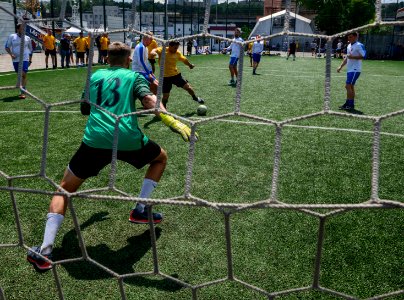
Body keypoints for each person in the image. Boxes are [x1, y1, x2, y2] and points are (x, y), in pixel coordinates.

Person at [26, 41, 197, 272]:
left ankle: (45, 251)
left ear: (106, 59)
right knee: (160, 158)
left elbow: (84, 109)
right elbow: (148, 101)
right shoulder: (134, 77)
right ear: (128, 60)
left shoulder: (94, 77)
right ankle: (139, 209)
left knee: (64, 189)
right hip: (126, 138)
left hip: (95, 141)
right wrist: (171, 121)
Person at [150, 41, 205, 108]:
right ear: (170, 46)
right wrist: (153, 52)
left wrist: (190, 65)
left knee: (189, 88)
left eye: (177, 48)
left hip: (176, 75)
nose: (176, 49)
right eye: (175, 48)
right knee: (165, 97)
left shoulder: (177, 53)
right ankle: (163, 108)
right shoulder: (163, 50)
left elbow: (184, 60)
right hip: (165, 78)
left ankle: (195, 98)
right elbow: (155, 49)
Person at [337, 32, 366, 111]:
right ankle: (349, 104)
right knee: (351, 86)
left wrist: (353, 57)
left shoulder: (359, 45)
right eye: (348, 37)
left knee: (347, 86)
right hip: (350, 69)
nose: (348, 38)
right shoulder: (349, 45)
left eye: (350, 37)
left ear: (355, 37)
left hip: (355, 69)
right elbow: (347, 58)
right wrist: (341, 66)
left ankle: (350, 104)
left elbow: (363, 56)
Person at [4, 23, 33, 99]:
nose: (23, 29)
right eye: (21, 28)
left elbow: (31, 49)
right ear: (18, 29)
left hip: (25, 58)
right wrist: (11, 54)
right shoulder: (12, 36)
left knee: (23, 74)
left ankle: (23, 91)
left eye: (24, 28)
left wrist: (30, 60)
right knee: (20, 75)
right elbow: (7, 47)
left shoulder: (27, 38)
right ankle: (23, 89)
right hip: (15, 59)